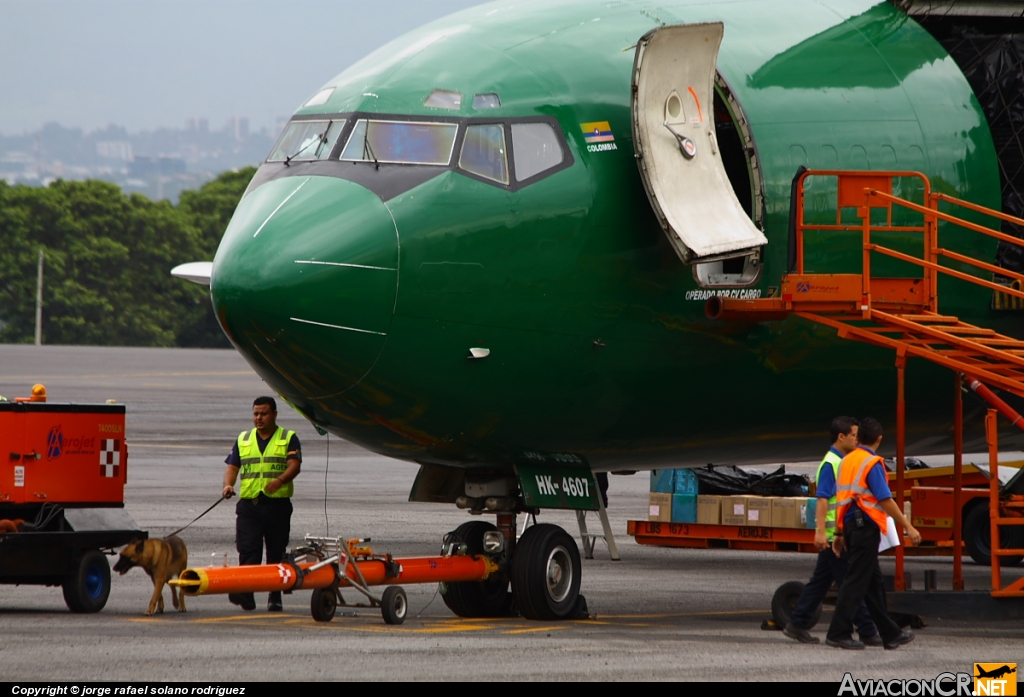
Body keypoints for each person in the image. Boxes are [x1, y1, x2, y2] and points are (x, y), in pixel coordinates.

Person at [825, 417, 922, 650]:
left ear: (858, 438)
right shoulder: (871, 463)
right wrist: (907, 526)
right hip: (865, 527)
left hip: (850, 526)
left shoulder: (847, 461)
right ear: (879, 439)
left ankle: (889, 633)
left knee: (873, 583)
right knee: (857, 582)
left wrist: (839, 532)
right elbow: (884, 499)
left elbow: (841, 500)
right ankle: (838, 632)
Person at [783, 417, 881, 645]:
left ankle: (797, 623)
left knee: (821, 582)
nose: (857, 438)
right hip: (833, 534)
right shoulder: (831, 464)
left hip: (837, 533)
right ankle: (867, 629)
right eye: (854, 435)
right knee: (850, 583)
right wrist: (820, 531)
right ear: (841, 436)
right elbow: (823, 500)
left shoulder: (841, 461)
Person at [221, 396, 301, 612]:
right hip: (249, 505)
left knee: (276, 552)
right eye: (255, 414)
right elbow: (232, 468)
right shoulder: (244, 439)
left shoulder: (288, 437)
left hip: (277, 506)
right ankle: (247, 594)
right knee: (248, 551)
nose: (259, 418)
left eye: (263, 414)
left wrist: (280, 480)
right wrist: (228, 485)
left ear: (274, 414)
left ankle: (275, 596)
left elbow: (295, 465)